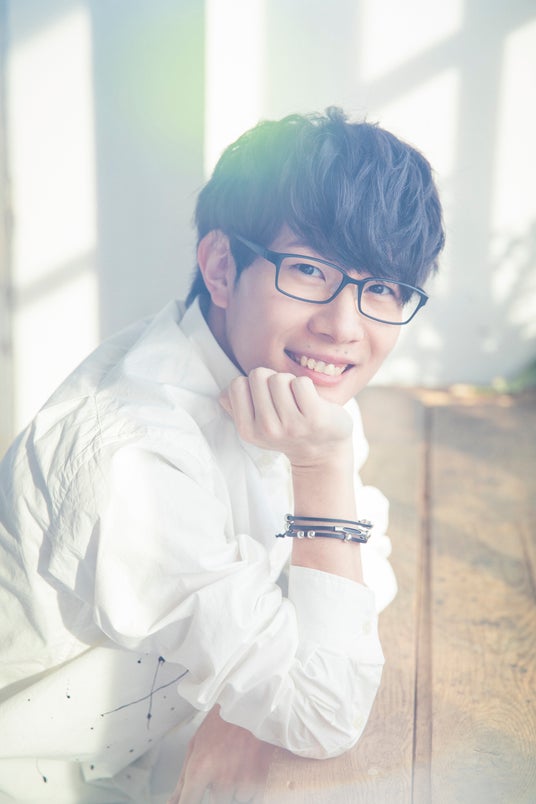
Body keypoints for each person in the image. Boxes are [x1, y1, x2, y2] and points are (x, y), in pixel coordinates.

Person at [0, 107, 444, 803]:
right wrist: (322, 473)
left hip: (152, 756)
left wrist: (243, 712)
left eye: (382, 288)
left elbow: (369, 568)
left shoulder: (297, 390)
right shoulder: (136, 455)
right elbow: (323, 712)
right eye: (309, 270)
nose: (344, 326)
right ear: (220, 268)